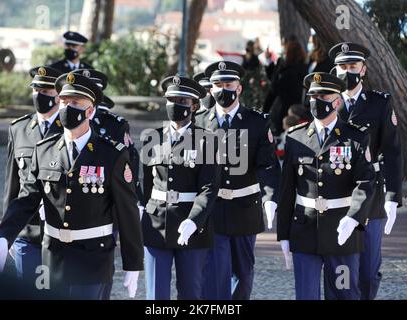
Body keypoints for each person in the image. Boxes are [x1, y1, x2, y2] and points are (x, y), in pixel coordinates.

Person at [0, 72, 144, 299]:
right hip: (52, 255)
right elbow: (27, 197)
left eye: (75, 103)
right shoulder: (44, 150)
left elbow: (127, 209)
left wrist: (133, 263)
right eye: (64, 101)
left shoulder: (111, 154)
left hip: (92, 257)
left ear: (90, 111)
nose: (67, 107)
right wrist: (5, 234)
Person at [277, 72, 376, 300]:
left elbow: (365, 182)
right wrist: (283, 234)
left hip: (342, 232)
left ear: (338, 101)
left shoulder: (355, 137)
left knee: (343, 294)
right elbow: (287, 189)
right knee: (306, 296)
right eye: (313, 96)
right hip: (304, 232)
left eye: (324, 95)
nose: (318, 101)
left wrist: (353, 218)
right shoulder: (296, 137)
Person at [196, 61, 281, 300]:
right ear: (211, 90)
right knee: (213, 273)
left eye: (228, 84)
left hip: (244, 208)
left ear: (239, 88)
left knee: (242, 275)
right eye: (218, 85)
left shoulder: (256, 122)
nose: (224, 89)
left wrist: (270, 198)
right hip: (211, 210)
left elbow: (267, 164)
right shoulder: (199, 122)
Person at [329, 42, 403, 300]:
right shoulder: (327, 103)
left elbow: (392, 151)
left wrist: (393, 196)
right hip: (335, 194)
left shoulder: (379, 103)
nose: (347, 72)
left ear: (363, 69)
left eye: (352, 66)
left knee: (368, 271)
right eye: (342, 67)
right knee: (340, 267)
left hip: (371, 196)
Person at [141, 75, 220, 300]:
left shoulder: (208, 141)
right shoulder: (153, 138)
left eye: (182, 101)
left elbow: (209, 187)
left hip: (191, 226)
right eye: (171, 100)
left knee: (190, 292)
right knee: (156, 295)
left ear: (194, 106)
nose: (175, 106)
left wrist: (194, 220)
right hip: (156, 223)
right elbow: (147, 184)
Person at [3, 66, 63, 282]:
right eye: (36, 89)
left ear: (58, 96)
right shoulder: (18, 129)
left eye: (46, 91)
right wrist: (7, 231)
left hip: (60, 233)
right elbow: (12, 185)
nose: (40, 95)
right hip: (26, 232)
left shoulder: (71, 128)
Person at [71, 68, 143, 205]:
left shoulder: (115, 125)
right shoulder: (64, 120)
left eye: (91, 92)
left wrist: (134, 202)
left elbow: (127, 166)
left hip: (103, 199)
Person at [264, 40, 308, 135]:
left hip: (284, 111)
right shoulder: (302, 68)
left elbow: (274, 88)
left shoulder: (289, 72)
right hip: (295, 109)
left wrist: (278, 70)